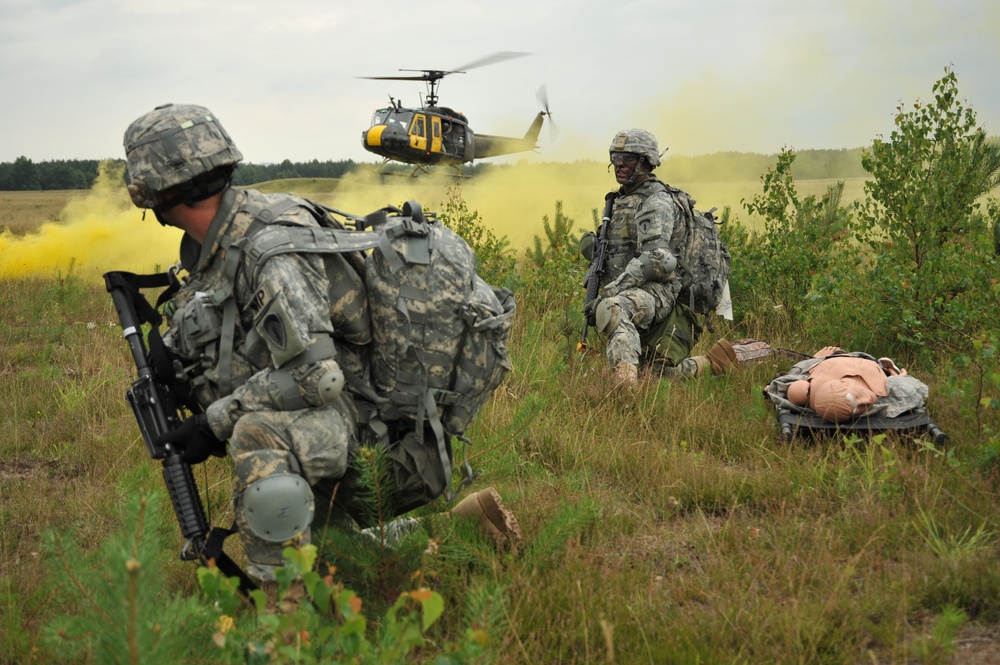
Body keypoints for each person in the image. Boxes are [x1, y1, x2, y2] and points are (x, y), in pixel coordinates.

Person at [122, 103, 520, 594]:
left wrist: (212, 423)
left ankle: (285, 617)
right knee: (332, 555)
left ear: (154, 193)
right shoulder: (238, 230)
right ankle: (467, 525)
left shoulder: (269, 247)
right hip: (344, 420)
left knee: (257, 433)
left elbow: (318, 377)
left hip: (375, 438)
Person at [580, 128, 736, 386]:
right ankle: (711, 363)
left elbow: (660, 260)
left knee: (613, 308)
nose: (619, 164)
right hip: (634, 289)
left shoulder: (656, 200)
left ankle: (625, 387)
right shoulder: (622, 199)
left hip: (658, 291)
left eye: (627, 158)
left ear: (645, 161)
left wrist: (612, 291)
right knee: (656, 375)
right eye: (615, 157)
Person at [769, 346, 928, 422]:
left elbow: (782, 387)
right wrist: (898, 376)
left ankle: (815, 358)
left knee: (799, 387)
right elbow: (908, 384)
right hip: (866, 361)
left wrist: (777, 390)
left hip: (823, 365)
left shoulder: (808, 389)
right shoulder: (889, 392)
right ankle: (819, 359)